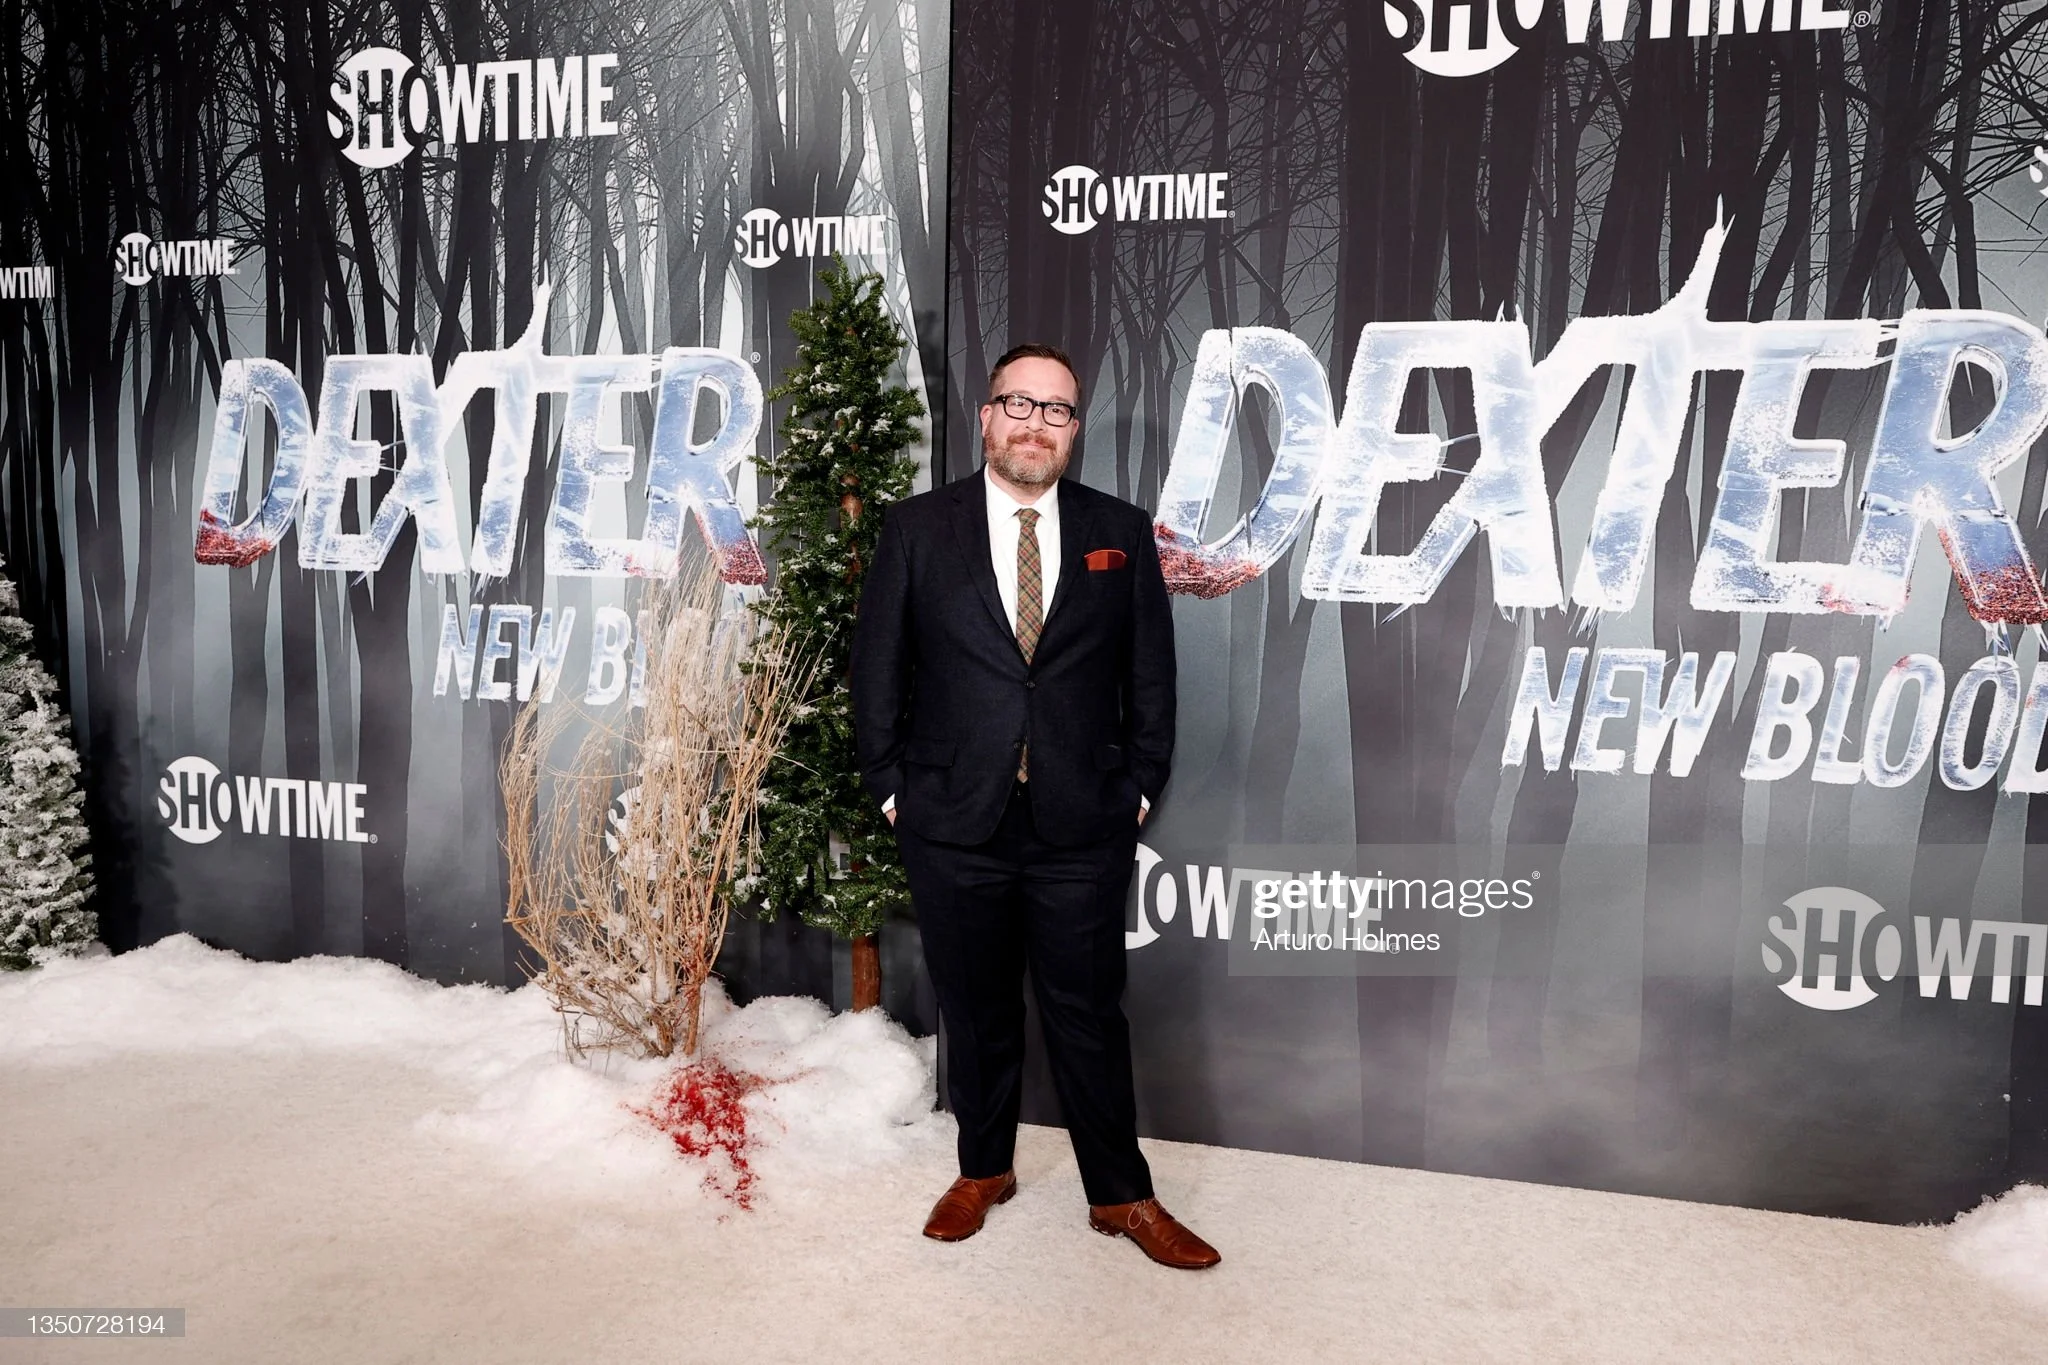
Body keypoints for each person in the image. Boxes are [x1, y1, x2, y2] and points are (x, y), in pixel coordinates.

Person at [850, 343, 1220, 1270]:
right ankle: (984, 1170)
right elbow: (876, 675)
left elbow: (1151, 682)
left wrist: (1135, 788)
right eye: (1019, 403)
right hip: (952, 817)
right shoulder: (915, 528)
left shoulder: (1121, 532)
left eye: (1055, 411)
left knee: (1088, 1009)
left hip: (1079, 819)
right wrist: (895, 792)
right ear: (985, 416)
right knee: (974, 1008)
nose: (1035, 424)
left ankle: (1121, 1195)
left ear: (1073, 428)